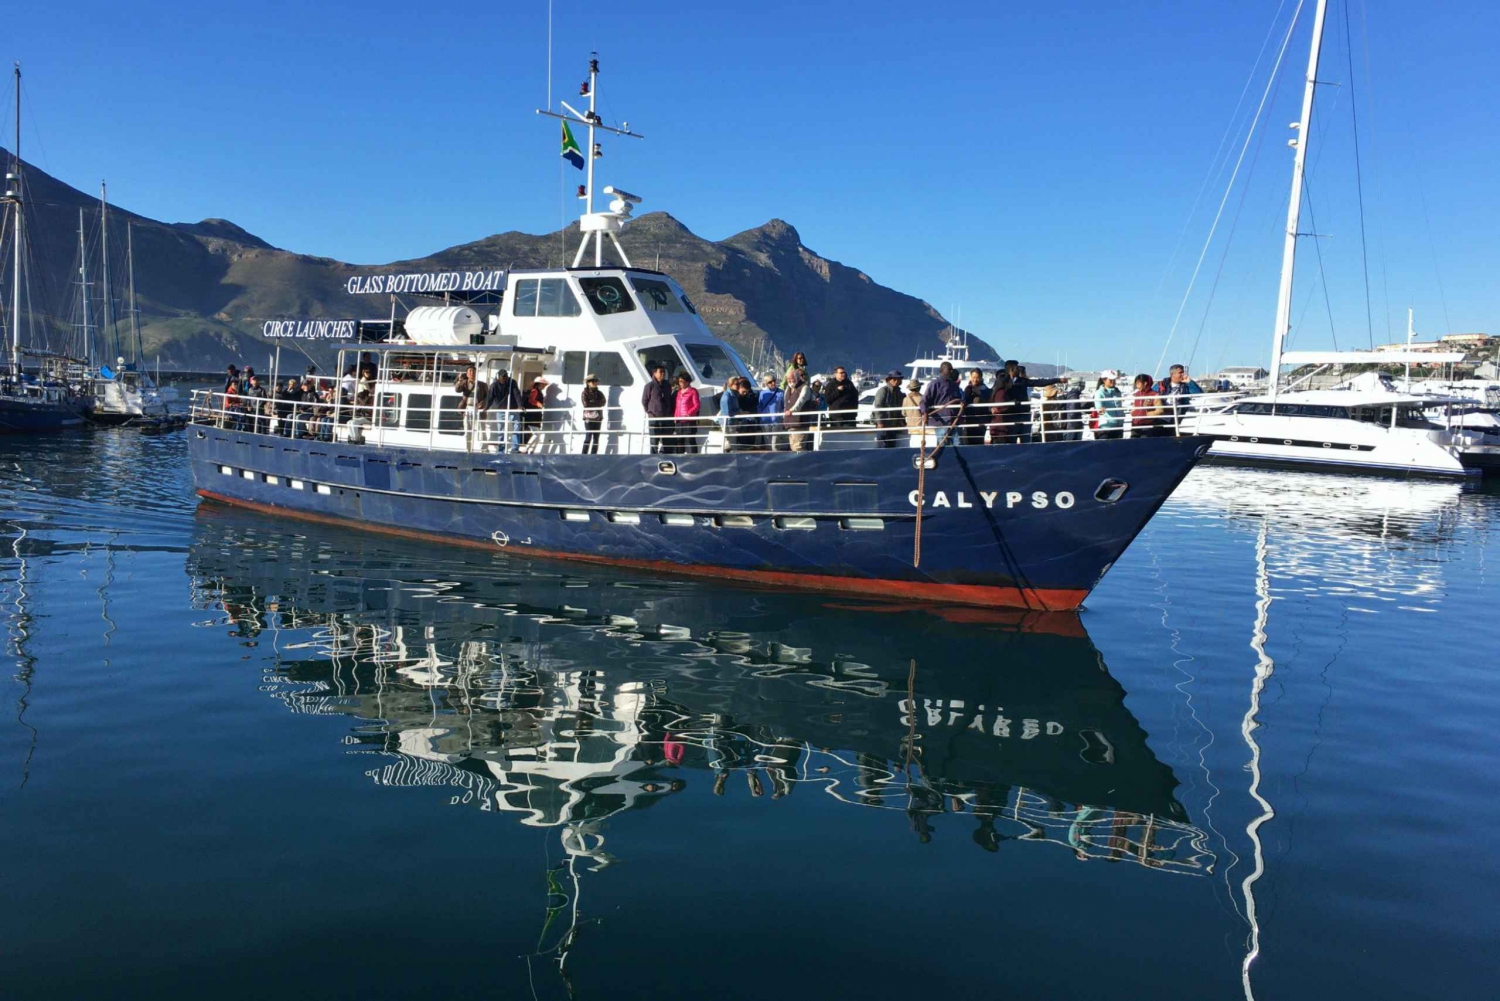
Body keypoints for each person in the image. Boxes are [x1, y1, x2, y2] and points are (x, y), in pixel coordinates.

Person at [1157, 363, 1203, 433]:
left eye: (1183, 372)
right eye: (1180, 373)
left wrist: (1190, 382)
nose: (1183, 374)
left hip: (1179, 414)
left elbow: (1199, 394)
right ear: (1173, 374)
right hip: (1162, 414)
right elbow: (1151, 395)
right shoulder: (1161, 384)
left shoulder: (1186, 386)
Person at [641, 363, 675, 454]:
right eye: (661, 372)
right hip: (654, 417)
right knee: (654, 441)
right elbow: (644, 400)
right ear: (654, 373)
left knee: (667, 440)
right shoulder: (649, 386)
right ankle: (653, 457)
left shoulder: (667, 385)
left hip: (666, 417)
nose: (663, 373)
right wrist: (650, 412)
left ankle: (666, 456)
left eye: (664, 372)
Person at [484, 369, 521, 450]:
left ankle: (515, 448)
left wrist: (520, 405)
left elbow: (517, 393)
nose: (504, 378)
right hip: (500, 410)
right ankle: (501, 448)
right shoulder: (494, 385)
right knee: (501, 429)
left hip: (512, 408)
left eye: (506, 376)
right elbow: (490, 398)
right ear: (499, 377)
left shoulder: (512, 382)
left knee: (517, 426)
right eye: (503, 377)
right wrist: (486, 407)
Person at [783, 369, 818, 452]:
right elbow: (785, 403)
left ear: (797, 377)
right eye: (788, 379)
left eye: (791, 378)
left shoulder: (805, 388)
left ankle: (803, 459)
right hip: (790, 423)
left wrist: (791, 411)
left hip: (800, 423)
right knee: (793, 447)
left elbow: (801, 401)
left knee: (798, 447)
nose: (789, 380)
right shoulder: (787, 389)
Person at [919, 361, 963, 428]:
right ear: (942, 370)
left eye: (952, 369)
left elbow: (959, 399)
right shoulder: (934, 384)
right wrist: (924, 412)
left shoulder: (954, 385)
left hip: (954, 421)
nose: (951, 371)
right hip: (940, 423)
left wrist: (962, 402)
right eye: (949, 369)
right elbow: (924, 401)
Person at [822, 366, 859, 433]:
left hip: (849, 417)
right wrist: (837, 391)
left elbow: (855, 398)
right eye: (841, 373)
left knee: (850, 436)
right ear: (835, 374)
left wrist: (854, 412)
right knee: (837, 436)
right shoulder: (830, 385)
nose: (843, 374)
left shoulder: (849, 384)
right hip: (836, 418)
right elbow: (827, 399)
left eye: (844, 372)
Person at [872, 370, 905, 448]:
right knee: (882, 447)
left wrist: (902, 421)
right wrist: (880, 422)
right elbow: (878, 406)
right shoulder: (883, 391)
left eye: (899, 379)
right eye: (895, 379)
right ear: (890, 380)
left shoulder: (899, 393)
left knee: (891, 447)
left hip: (893, 426)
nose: (897, 381)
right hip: (884, 425)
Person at [959, 368, 991, 445]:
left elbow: (989, 398)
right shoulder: (968, 388)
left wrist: (979, 393)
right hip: (969, 419)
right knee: (967, 440)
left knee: (978, 440)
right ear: (970, 377)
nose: (975, 380)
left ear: (981, 378)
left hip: (980, 419)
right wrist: (963, 402)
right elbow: (964, 398)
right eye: (973, 377)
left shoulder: (985, 389)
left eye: (977, 378)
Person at [672, 370, 701, 454]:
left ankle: (694, 457)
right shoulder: (678, 392)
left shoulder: (693, 391)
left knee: (690, 440)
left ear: (687, 381)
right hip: (679, 420)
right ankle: (680, 457)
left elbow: (697, 405)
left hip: (688, 420)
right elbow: (677, 406)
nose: (680, 383)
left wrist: (689, 413)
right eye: (679, 381)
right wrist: (675, 416)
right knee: (679, 441)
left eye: (682, 381)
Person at [730, 377, 762, 450]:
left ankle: (748, 445)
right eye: (744, 391)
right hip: (739, 418)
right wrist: (742, 412)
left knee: (751, 424)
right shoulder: (733, 396)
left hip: (746, 417)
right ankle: (744, 445)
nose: (745, 393)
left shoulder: (747, 395)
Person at [1093, 370, 1125, 439]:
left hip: (1119, 427)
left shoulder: (1117, 392)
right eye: (1111, 380)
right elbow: (1099, 407)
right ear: (1104, 380)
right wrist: (1101, 410)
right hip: (1106, 428)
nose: (1113, 381)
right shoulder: (1099, 393)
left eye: (1114, 380)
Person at [758, 375, 786, 451]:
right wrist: (761, 416)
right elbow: (760, 406)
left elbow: (784, 406)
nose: (773, 383)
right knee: (768, 443)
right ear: (766, 383)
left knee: (775, 444)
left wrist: (782, 417)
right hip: (765, 421)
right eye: (770, 382)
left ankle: (776, 456)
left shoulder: (781, 393)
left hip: (777, 421)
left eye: (774, 381)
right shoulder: (762, 393)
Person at [581, 374, 606, 454]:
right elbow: (586, 404)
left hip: (598, 417)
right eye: (593, 381)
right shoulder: (584, 393)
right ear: (588, 383)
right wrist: (597, 403)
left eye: (596, 381)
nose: (595, 382)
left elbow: (603, 402)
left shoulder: (599, 393)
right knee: (588, 437)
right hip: (588, 418)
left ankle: (593, 455)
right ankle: (584, 455)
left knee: (596, 438)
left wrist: (592, 401)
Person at [523, 376, 548, 452]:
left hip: (536, 416)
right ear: (540, 384)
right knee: (537, 433)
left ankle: (531, 450)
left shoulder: (538, 392)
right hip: (532, 416)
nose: (544, 386)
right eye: (543, 384)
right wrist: (539, 404)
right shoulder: (535, 391)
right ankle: (526, 449)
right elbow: (531, 400)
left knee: (538, 434)